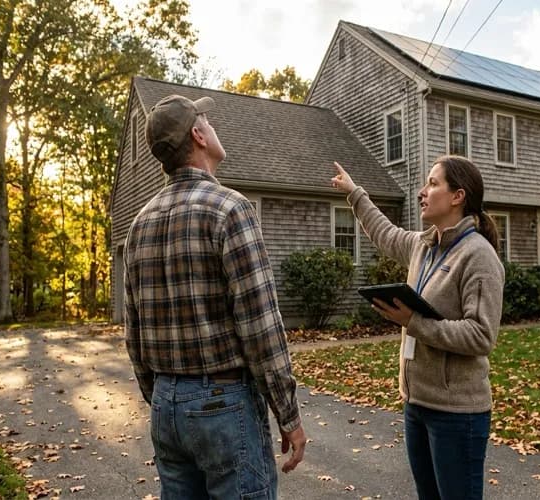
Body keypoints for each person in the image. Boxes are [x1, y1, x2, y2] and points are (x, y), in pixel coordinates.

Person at [124, 94, 306, 500]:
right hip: (222, 404)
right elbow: (261, 326)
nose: (214, 128)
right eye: (209, 121)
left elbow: (133, 331)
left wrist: (160, 397)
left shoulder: (139, 224)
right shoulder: (230, 209)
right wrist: (288, 414)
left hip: (166, 406)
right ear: (198, 134)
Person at [331, 156, 504, 500]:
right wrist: (354, 194)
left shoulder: (477, 256)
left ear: (458, 196)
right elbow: (385, 233)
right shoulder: (422, 247)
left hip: (456, 414)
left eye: (433, 183)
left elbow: (481, 335)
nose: (422, 192)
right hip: (417, 405)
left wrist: (413, 322)